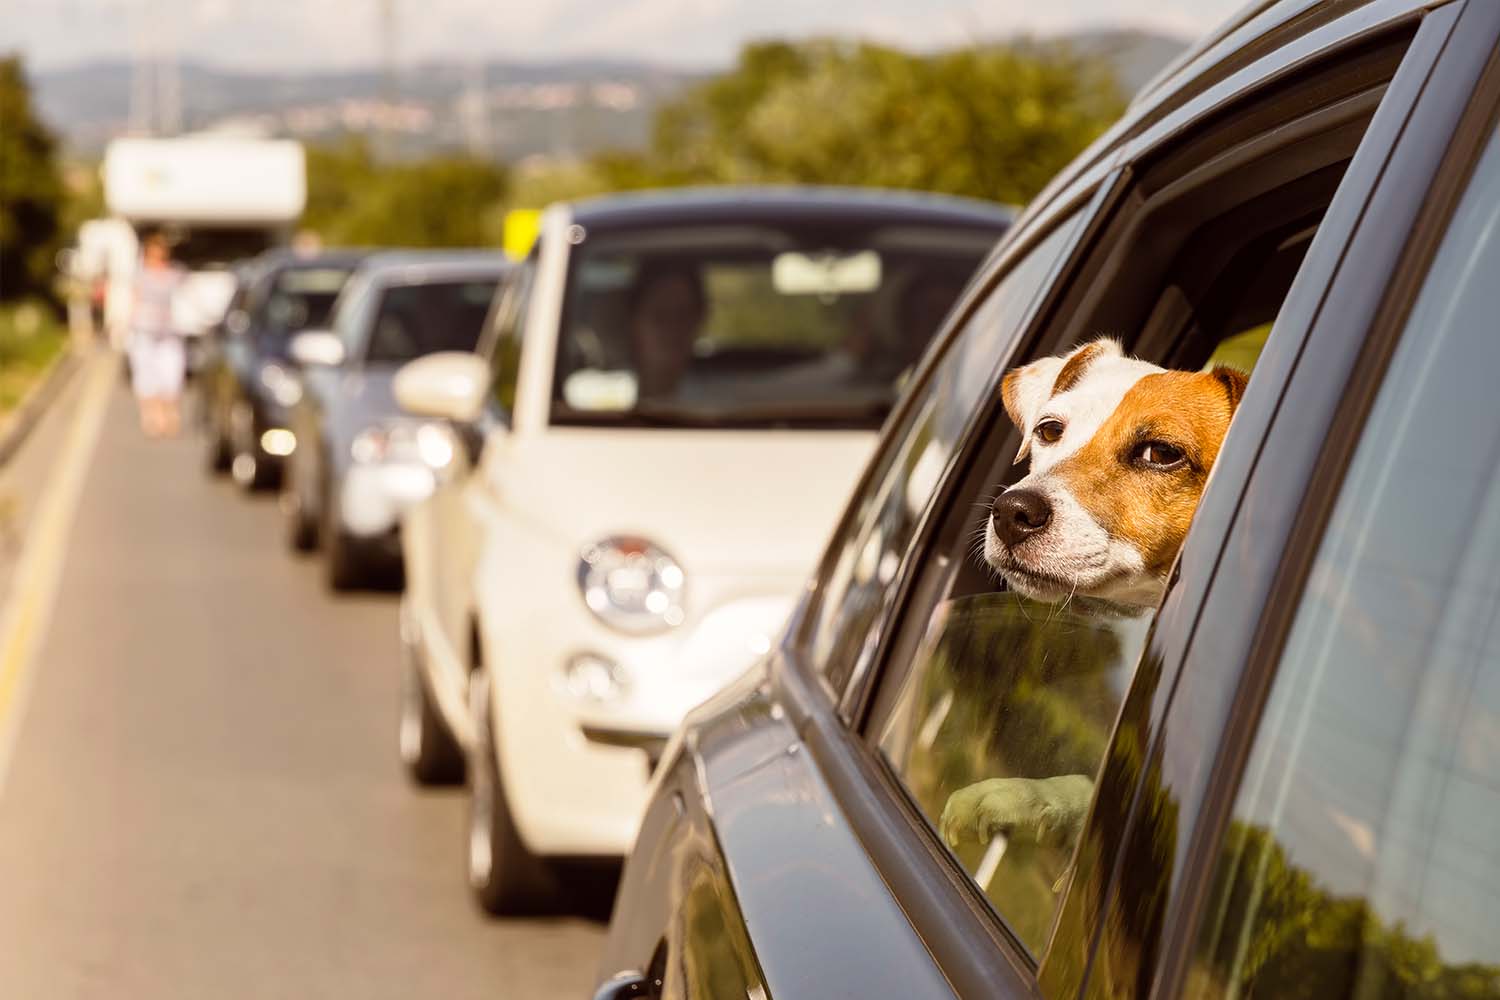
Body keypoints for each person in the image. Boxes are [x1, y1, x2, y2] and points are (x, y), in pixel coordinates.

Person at [128, 232, 187, 437]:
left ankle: (170, 414)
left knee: (171, 372)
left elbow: (184, 299)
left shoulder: (175, 274)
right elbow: (133, 301)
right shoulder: (140, 275)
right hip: (144, 329)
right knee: (146, 374)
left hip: (169, 331)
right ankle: (151, 416)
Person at [626, 262, 706, 400]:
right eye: (660, 315)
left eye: (683, 315)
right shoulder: (594, 402)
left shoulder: (723, 409)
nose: (673, 328)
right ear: (635, 323)